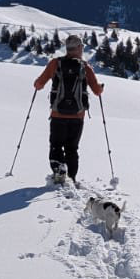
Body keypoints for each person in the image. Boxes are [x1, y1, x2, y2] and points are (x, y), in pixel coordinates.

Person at [33, 35, 104, 184]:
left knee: (56, 145)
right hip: (78, 116)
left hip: (57, 114)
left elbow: (39, 84)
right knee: (72, 148)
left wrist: (38, 83)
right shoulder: (85, 66)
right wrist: (101, 88)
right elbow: (97, 91)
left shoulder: (55, 64)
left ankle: (59, 170)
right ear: (78, 48)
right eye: (81, 47)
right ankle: (71, 177)